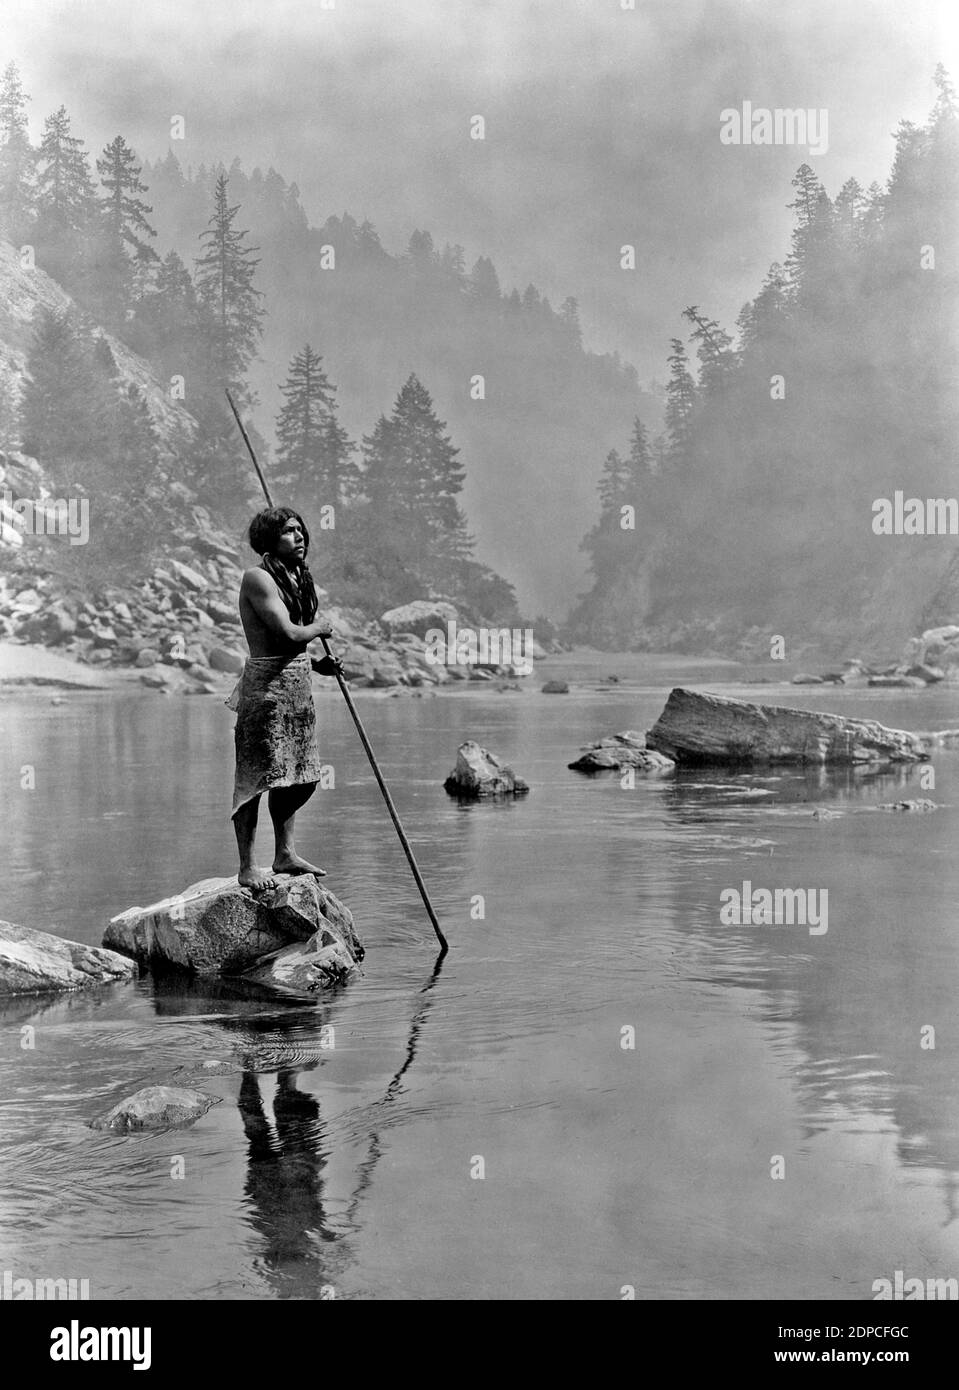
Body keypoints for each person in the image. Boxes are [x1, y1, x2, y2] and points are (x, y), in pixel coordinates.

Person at [228, 505, 342, 892]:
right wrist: (318, 627)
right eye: (289, 532)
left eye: (301, 531)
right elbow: (286, 633)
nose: (300, 538)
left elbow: (296, 646)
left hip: (296, 688)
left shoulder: (298, 577)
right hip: (265, 691)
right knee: (256, 777)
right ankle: (247, 867)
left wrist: (320, 666)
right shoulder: (257, 578)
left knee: (299, 776)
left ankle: (285, 853)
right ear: (268, 541)